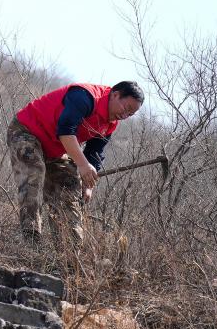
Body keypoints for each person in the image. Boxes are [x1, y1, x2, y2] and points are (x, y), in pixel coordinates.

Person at [8, 81, 145, 245]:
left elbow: (94, 154)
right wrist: (82, 165)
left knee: (70, 186)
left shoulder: (110, 125)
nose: (125, 115)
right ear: (115, 94)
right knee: (35, 173)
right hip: (26, 131)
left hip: (56, 149)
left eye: (130, 114)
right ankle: (30, 242)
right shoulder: (85, 97)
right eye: (126, 108)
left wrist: (88, 184)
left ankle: (69, 256)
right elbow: (65, 130)